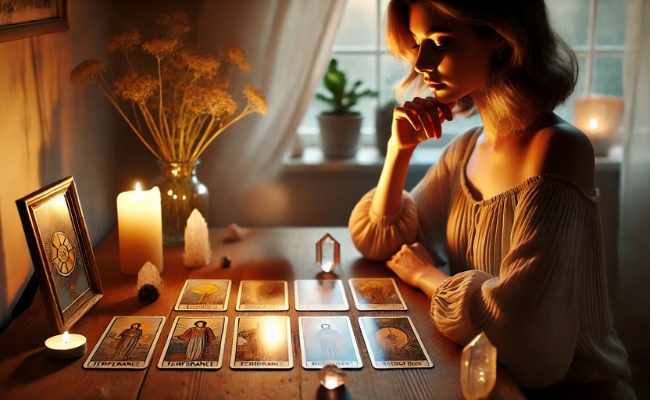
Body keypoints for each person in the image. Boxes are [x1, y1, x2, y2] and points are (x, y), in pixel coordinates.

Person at [348, 0, 632, 396]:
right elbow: (379, 240)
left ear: (500, 36)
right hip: (486, 379)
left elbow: (522, 336)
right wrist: (400, 150)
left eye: (440, 42)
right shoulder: (467, 148)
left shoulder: (558, 149)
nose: (422, 63)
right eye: (416, 43)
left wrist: (426, 276)